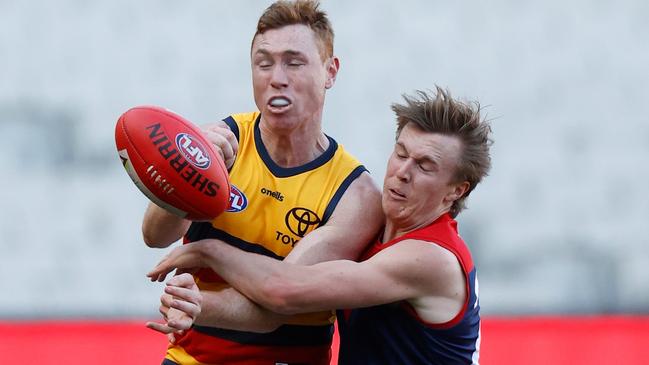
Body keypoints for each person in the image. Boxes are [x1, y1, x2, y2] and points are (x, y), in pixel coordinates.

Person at [148, 87, 493, 364]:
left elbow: (282, 292)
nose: (403, 171)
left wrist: (207, 249)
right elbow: (153, 235)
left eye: (425, 165)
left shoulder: (429, 258)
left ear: (456, 191)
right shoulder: (374, 224)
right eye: (401, 153)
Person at [141, 1, 383, 364]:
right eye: (263, 62)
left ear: (330, 71)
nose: (276, 77)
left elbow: (277, 304)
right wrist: (183, 171)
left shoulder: (354, 194)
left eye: (294, 62)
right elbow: (154, 236)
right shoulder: (224, 143)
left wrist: (198, 302)